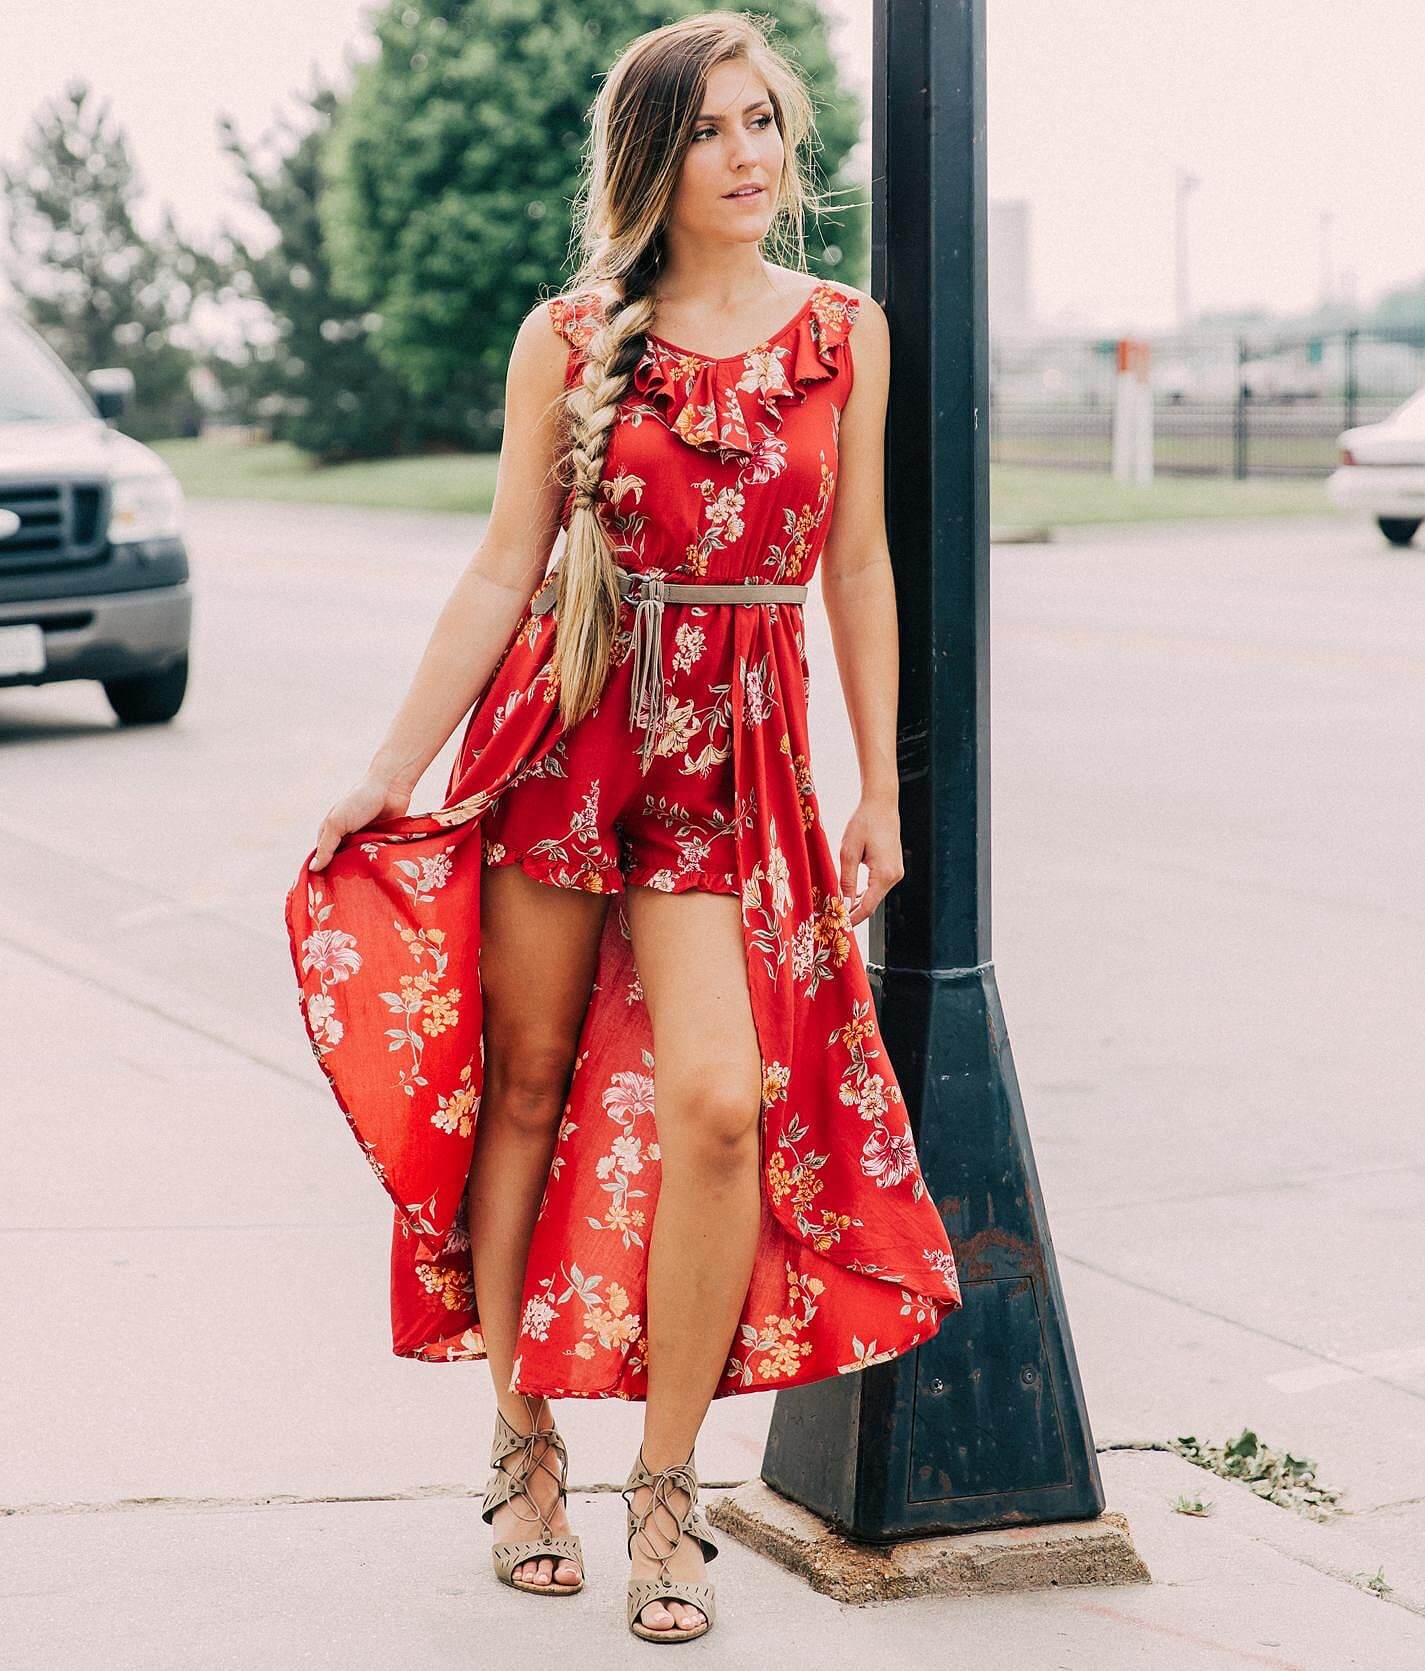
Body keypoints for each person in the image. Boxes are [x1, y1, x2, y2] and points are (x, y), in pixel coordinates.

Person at [284, 9, 962, 1645]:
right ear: (655, 157)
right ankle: (521, 1440)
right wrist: (393, 760)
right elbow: (504, 564)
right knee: (522, 1084)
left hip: (735, 762)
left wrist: (878, 782)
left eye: (767, 126)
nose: (752, 156)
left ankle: (666, 1493)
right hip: (571, 732)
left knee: (722, 1105)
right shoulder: (568, 339)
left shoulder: (843, 333)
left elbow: (856, 567)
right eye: (718, 129)